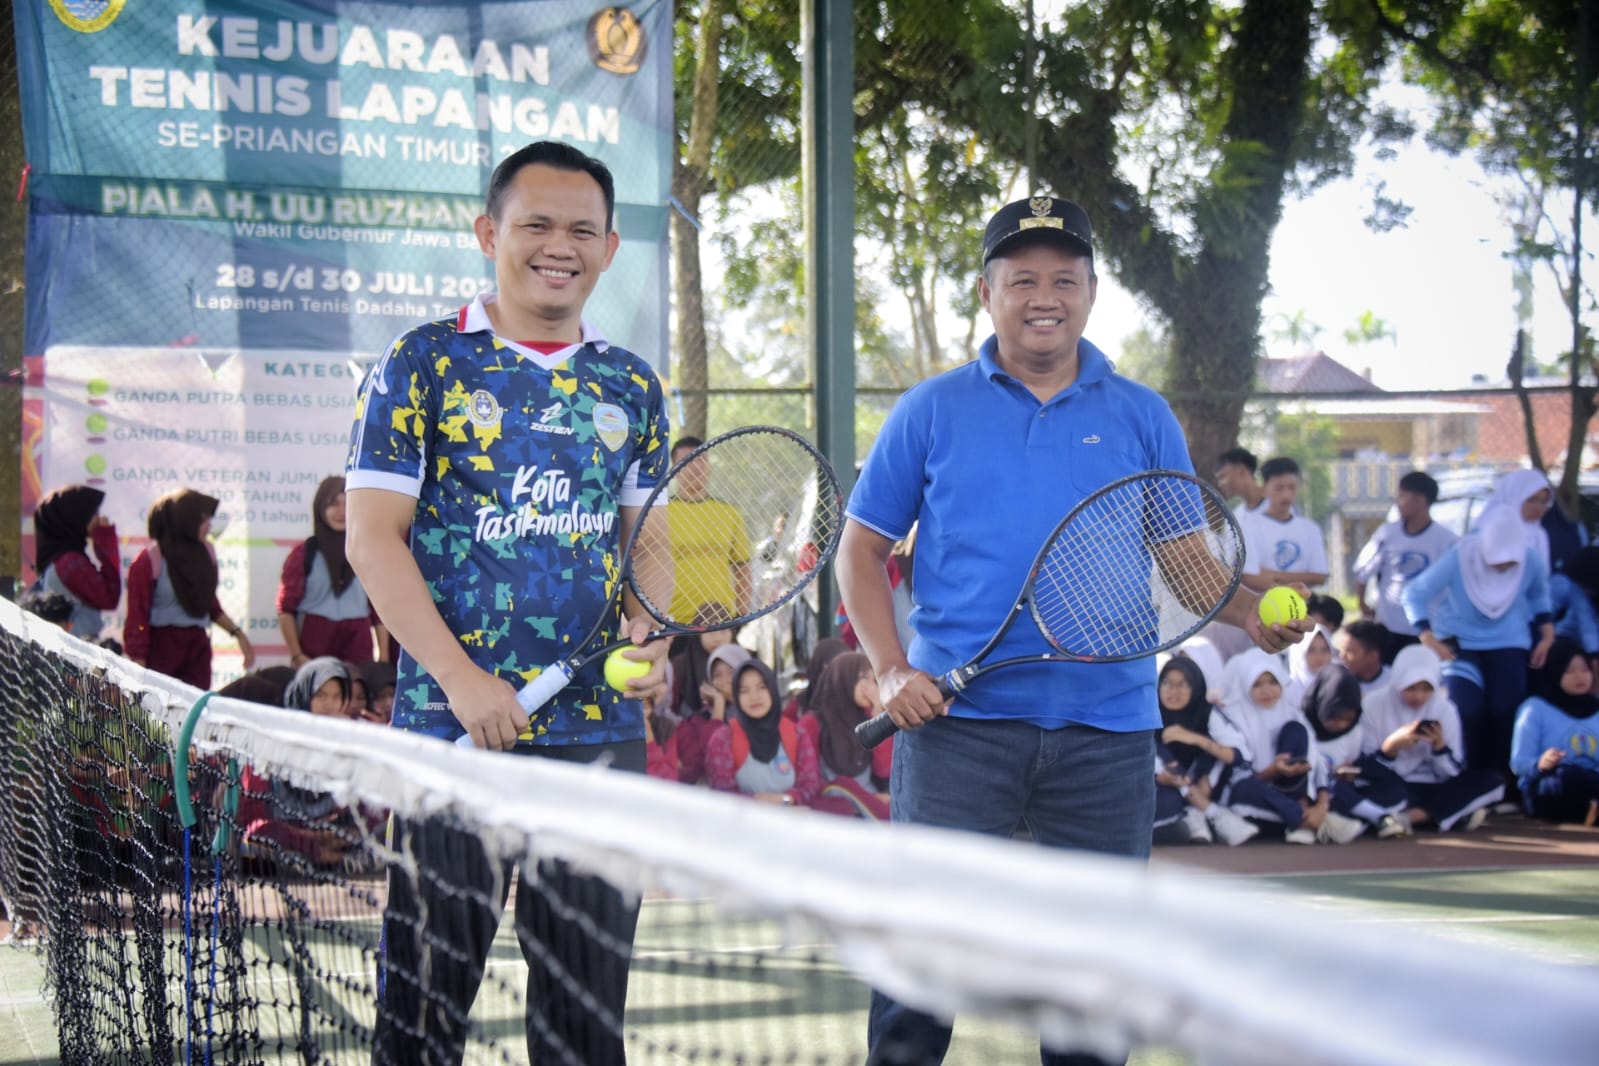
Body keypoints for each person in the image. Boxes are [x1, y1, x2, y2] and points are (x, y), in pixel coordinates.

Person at [835, 194, 1306, 1066]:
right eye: (1021, 279)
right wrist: (891, 668)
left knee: (1094, 980)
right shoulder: (930, 410)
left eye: (1064, 278)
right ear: (987, 293)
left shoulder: (1140, 414)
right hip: (955, 732)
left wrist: (1252, 614)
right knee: (920, 969)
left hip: (1106, 734)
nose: (1042, 295)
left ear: (1091, 292)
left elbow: (1187, 563)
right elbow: (857, 553)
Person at [344, 140, 671, 1066]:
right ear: (490, 233)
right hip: (452, 736)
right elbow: (373, 537)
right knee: (420, 1016)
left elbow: (644, 543)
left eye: (582, 230)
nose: (557, 246)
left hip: (599, 740)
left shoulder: (631, 385)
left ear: (608, 250)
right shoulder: (423, 362)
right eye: (535, 224)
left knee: (582, 1025)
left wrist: (648, 628)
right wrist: (460, 679)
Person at [1402, 504, 1554, 779]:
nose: (1503, 565)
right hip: (1459, 643)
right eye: (1497, 558)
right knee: (1466, 710)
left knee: (1506, 710)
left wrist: (1547, 633)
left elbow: (1539, 595)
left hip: (1509, 640)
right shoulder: (1460, 557)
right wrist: (1427, 635)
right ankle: (1466, 776)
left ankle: (1504, 782)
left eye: (1510, 560)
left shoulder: (1530, 560)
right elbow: (1415, 594)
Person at [1206, 649, 1366, 845]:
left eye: (1273, 682)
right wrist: (1272, 771)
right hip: (1251, 794)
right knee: (1246, 787)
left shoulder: (1292, 713)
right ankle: (1313, 822)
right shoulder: (1231, 715)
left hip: (1289, 791)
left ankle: (1306, 819)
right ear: (1245, 684)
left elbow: (1317, 763)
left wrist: (1322, 804)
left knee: (1295, 730)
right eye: (1257, 684)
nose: (1267, 691)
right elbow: (1238, 773)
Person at [1363, 645, 1503, 832]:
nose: (1419, 696)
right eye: (1411, 688)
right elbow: (1364, 768)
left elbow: (1454, 772)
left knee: (1492, 781)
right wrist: (1391, 748)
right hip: (1391, 785)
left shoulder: (1445, 709)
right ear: (1398, 682)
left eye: (1426, 688)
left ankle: (1408, 818)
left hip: (1432, 786)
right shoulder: (1374, 704)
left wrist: (1439, 747)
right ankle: (1451, 814)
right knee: (1371, 792)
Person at [124, 489, 253, 689]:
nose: (209, 525)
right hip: (162, 647)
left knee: (195, 709)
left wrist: (237, 634)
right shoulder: (150, 559)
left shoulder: (206, 553)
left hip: (196, 648)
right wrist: (138, 661)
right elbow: (137, 614)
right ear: (184, 520)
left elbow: (208, 602)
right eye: (202, 519)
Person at [276, 476, 387, 667]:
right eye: (333, 504)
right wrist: (296, 655)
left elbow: (379, 611)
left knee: (357, 694)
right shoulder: (304, 553)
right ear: (320, 507)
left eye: (348, 504)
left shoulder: (367, 552)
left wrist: (383, 658)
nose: (341, 512)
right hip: (315, 639)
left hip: (357, 641)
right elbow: (285, 609)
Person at [1151, 656, 1258, 846]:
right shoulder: (1151, 713)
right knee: (1166, 799)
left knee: (1216, 758)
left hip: (1206, 782)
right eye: (1166, 683)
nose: (1173, 692)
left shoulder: (1206, 712)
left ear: (1196, 687)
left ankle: (1200, 813)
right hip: (1161, 783)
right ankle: (1210, 813)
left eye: (1182, 685)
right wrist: (1160, 777)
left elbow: (1238, 756)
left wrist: (1193, 738)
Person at [1303, 663, 1411, 839]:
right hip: (1310, 791)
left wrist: (1350, 771)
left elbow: (1358, 761)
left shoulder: (1355, 732)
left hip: (1344, 792)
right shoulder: (1302, 724)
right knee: (1329, 786)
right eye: (1334, 717)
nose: (1341, 725)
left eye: (1348, 719)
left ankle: (1347, 821)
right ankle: (1380, 817)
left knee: (1393, 788)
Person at [1352, 471, 1458, 650]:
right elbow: (1362, 572)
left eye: (1402, 496)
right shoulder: (1386, 534)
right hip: (1389, 629)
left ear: (1421, 500)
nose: (1397, 502)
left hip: (1429, 631)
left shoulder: (1447, 541)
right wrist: (1362, 605)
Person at [705, 657, 820, 806]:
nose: (754, 697)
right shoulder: (723, 739)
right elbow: (722, 794)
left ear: (772, 689)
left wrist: (786, 799)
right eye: (744, 691)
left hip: (790, 824)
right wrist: (760, 801)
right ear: (736, 696)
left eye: (762, 687)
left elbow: (810, 786)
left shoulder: (796, 734)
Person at [1511, 638, 1599, 825]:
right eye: (1570, 671)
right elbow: (1518, 762)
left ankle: (1590, 811)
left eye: (1585, 670)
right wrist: (1540, 764)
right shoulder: (1534, 708)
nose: (1580, 677)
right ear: (1555, 671)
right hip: (1551, 780)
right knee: (1564, 779)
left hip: (1592, 780)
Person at [666, 435, 752, 621]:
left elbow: (742, 566)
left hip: (720, 620)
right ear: (674, 469)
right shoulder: (660, 513)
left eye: (701, 460)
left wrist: (741, 613)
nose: (695, 467)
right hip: (673, 621)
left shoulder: (729, 513)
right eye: (687, 462)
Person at [800, 651, 893, 820]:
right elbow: (809, 779)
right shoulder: (812, 722)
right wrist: (858, 799)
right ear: (844, 678)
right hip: (834, 808)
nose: (870, 687)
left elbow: (884, 772)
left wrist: (878, 715)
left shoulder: (869, 716)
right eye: (863, 677)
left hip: (870, 805)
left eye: (874, 680)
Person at [32, 484, 120, 640]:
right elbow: (109, 597)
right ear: (76, 517)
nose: (99, 519)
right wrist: (106, 540)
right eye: (93, 513)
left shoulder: (59, 557)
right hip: (78, 649)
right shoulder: (70, 563)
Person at [1240, 457, 1329, 592]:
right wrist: (1299, 581)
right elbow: (1249, 577)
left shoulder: (1311, 529)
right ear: (1264, 489)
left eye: (1292, 488)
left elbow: (1320, 576)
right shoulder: (1248, 526)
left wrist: (1271, 575)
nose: (1286, 495)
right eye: (1279, 488)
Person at [1483, 468, 1553, 572]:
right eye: (1531, 500)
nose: (1539, 507)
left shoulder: (1538, 535)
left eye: (1543, 501)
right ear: (1514, 497)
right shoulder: (1489, 534)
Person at [1339, 619, 1393, 695]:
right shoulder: (1339, 682)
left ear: (1373, 656)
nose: (1342, 656)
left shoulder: (1395, 684)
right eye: (1342, 649)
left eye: (1350, 651)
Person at [1214, 447, 1266, 516]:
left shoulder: (1281, 503)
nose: (1220, 484)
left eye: (1223, 476)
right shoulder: (1236, 517)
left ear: (1242, 471)